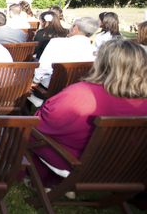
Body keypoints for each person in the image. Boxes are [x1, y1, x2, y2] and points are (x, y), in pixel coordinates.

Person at [30, 39, 147, 187]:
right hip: (123, 167)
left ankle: (46, 179)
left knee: (25, 132)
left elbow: (41, 124)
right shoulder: (142, 103)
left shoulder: (81, 94)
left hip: (74, 162)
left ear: (101, 63)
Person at [33, 17, 97, 88]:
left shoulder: (56, 42)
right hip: (78, 89)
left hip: (51, 88)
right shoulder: (95, 51)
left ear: (75, 28)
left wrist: (35, 80)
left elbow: (43, 67)